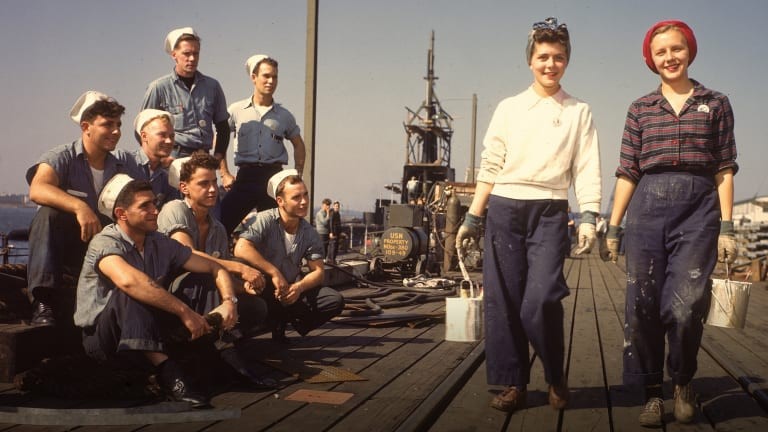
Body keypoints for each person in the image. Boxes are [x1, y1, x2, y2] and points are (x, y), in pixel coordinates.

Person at [456, 17, 601, 413]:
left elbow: (587, 167)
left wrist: (588, 215)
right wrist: (472, 217)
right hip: (503, 207)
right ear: (530, 60)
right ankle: (513, 382)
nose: (550, 64)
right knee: (504, 300)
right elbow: (491, 164)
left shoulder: (579, 112)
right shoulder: (509, 108)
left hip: (551, 211)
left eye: (558, 57)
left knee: (541, 299)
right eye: (542, 57)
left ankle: (555, 373)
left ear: (567, 61)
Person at [604, 20, 738, 427]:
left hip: (698, 211)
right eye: (661, 52)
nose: (669, 57)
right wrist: (613, 227)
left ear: (689, 51)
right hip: (646, 210)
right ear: (651, 59)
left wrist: (728, 228)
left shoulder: (715, 103)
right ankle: (650, 392)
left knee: (686, 305)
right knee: (642, 305)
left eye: (676, 49)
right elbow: (628, 171)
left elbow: (725, 168)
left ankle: (682, 381)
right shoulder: (640, 108)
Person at [74, 176, 239, 408]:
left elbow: (213, 266)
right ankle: (170, 376)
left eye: (154, 203)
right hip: (106, 340)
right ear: (121, 214)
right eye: (145, 206)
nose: (155, 211)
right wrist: (185, 313)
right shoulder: (104, 242)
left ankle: (218, 351)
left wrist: (230, 302)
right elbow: (129, 281)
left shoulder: (158, 242)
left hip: (148, 330)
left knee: (203, 280)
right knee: (130, 291)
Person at [157, 152, 276, 389]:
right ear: (184, 188)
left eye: (214, 182)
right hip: (170, 295)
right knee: (203, 279)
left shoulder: (218, 228)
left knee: (256, 305)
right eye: (203, 183)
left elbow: (219, 272)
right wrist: (240, 268)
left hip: (204, 294)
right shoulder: (174, 209)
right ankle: (231, 364)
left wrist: (247, 287)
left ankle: (208, 354)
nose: (213, 189)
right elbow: (187, 255)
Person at [26, 91, 139, 326]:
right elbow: (38, 189)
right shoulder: (61, 157)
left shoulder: (125, 163)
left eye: (118, 125)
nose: (116, 131)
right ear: (86, 126)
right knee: (48, 214)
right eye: (107, 124)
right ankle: (43, 300)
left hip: (108, 246)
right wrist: (80, 207)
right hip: (71, 246)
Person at [234, 170, 345, 343]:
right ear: (280, 201)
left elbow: (318, 272)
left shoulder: (310, 233)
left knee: (333, 300)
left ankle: (288, 320)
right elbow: (241, 248)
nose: (304, 201)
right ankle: (263, 324)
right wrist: (274, 273)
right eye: (296, 197)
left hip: (289, 290)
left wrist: (299, 288)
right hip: (261, 288)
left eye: (305, 195)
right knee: (255, 306)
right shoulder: (264, 220)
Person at [219, 54, 306, 235]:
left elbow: (299, 144)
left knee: (275, 232)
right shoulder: (236, 111)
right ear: (254, 78)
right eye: (266, 76)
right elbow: (221, 138)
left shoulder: (284, 115)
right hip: (246, 177)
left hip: (273, 178)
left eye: (274, 76)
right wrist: (224, 173)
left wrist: (297, 173)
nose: (271, 81)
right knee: (220, 222)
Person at [140, 27, 229, 163]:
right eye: (186, 54)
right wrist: (160, 159)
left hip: (204, 157)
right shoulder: (158, 88)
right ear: (174, 54)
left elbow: (223, 127)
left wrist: (217, 157)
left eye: (196, 53)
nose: (192, 58)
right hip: (173, 158)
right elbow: (142, 128)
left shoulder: (213, 86)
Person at [132, 109, 178, 207]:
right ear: (144, 136)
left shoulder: (166, 179)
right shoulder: (125, 162)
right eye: (162, 135)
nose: (169, 141)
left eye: (172, 136)